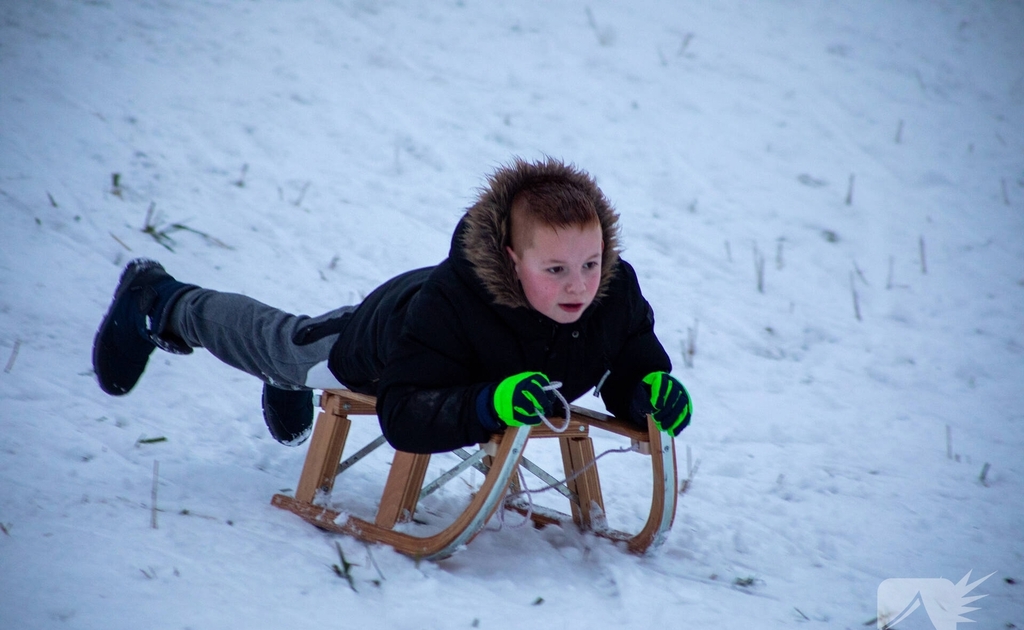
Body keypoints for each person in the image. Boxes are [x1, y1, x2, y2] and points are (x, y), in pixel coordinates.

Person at [93, 158, 692, 453]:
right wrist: (490, 402)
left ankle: (280, 378)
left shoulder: (612, 290)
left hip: (444, 347)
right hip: (386, 342)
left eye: (590, 264)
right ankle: (161, 301)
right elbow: (403, 416)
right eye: (555, 270)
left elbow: (629, 356)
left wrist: (649, 392)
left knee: (296, 352)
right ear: (511, 258)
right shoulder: (452, 307)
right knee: (290, 346)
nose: (578, 286)